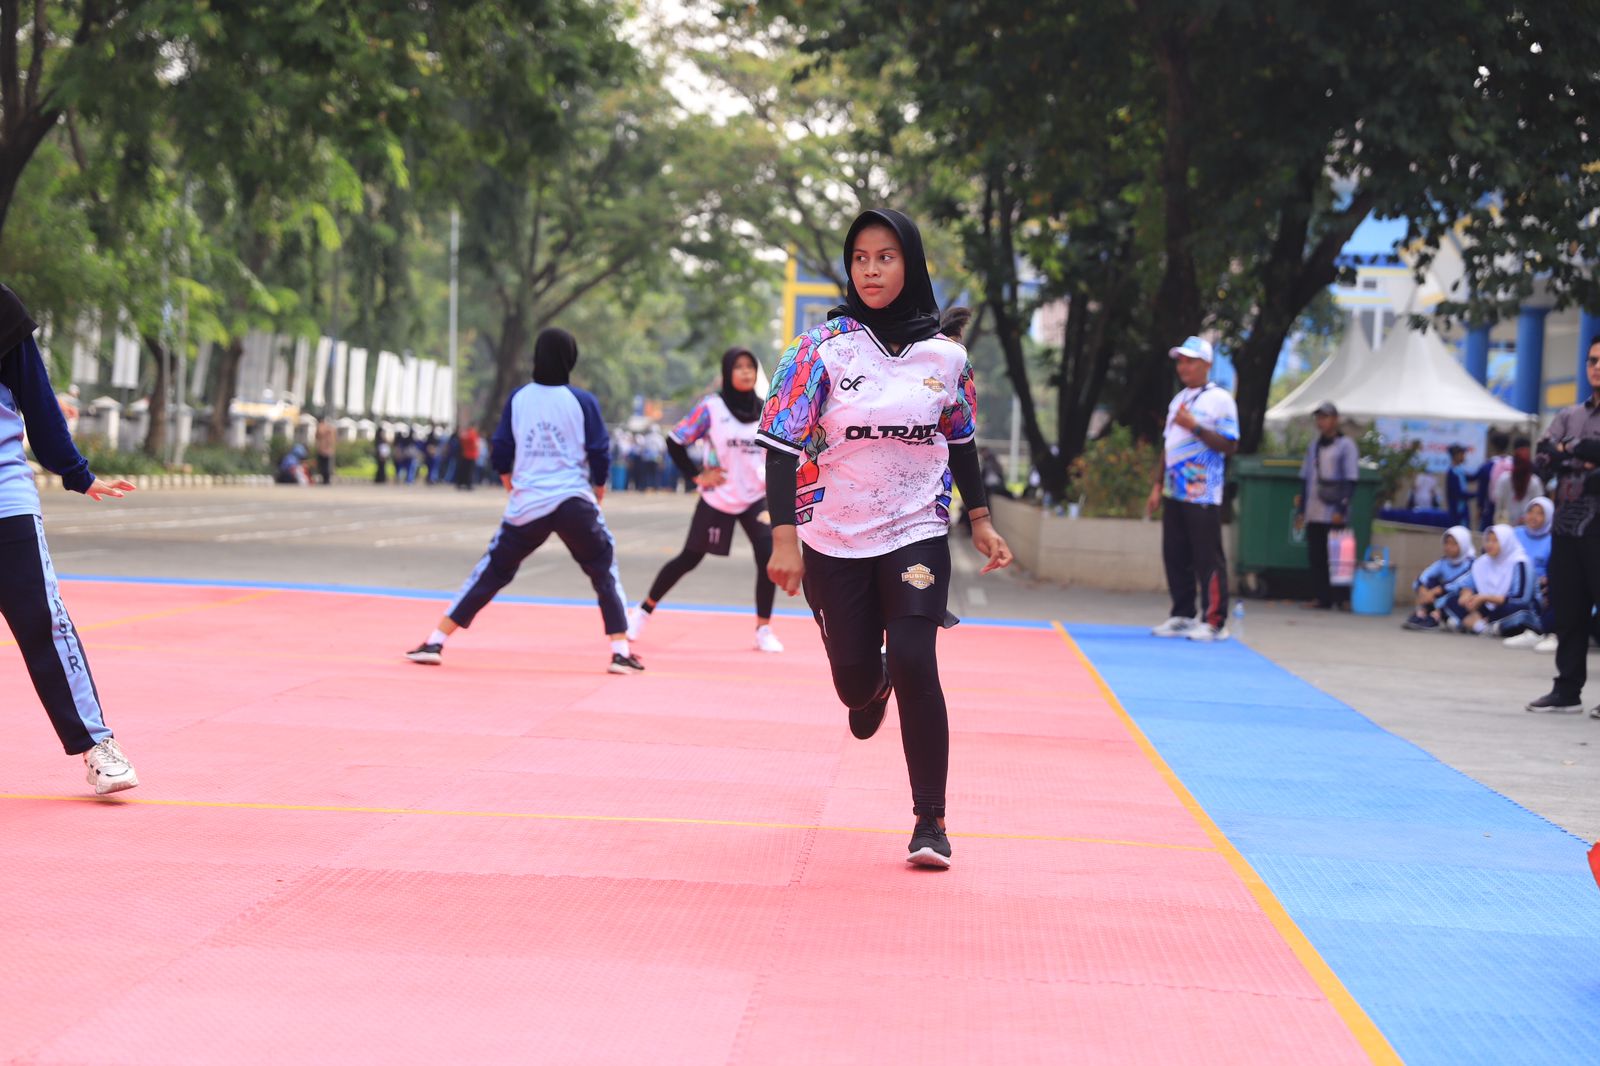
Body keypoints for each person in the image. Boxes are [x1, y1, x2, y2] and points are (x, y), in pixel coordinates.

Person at [760, 207, 1013, 869]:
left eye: (886, 257)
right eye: (861, 258)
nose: (871, 271)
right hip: (832, 534)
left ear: (912, 265)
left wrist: (980, 521)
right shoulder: (817, 350)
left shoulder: (947, 358)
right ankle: (870, 685)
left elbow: (961, 442)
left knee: (914, 657)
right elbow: (780, 447)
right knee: (854, 686)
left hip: (916, 529)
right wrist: (784, 538)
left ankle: (931, 820)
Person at [405, 327, 642, 675]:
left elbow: (502, 447)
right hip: (573, 500)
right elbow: (599, 449)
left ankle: (435, 641)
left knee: (491, 571)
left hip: (527, 503)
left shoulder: (519, 398)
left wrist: (509, 482)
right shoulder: (582, 401)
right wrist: (599, 488)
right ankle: (620, 651)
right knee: (603, 568)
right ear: (570, 358)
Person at [0, 283, 140, 794]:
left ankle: (97, 745)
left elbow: (37, 399)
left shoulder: (1, 308)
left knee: (45, 621)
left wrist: (76, 472)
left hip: (4, 499)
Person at [627, 347, 783, 652]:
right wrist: (697, 475)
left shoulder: (767, 409)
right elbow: (675, 441)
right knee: (690, 557)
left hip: (755, 496)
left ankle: (763, 629)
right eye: (738, 367)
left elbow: (778, 451)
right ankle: (642, 612)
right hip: (719, 496)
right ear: (727, 372)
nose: (746, 372)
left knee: (767, 557)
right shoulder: (712, 408)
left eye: (750, 366)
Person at [1147, 335, 1240, 641]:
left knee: (1207, 556)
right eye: (1181, 361)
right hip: (1174, 490)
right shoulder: (1179, 400)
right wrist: (1157, 485)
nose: (1183, 367)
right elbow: (1169, 445)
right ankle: (1182, 615)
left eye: (1190, 361)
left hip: (1203, 491)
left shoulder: (1220, 399)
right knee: (1175, 554)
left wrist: (1196, 427)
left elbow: (1230, 445)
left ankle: (1214, 621)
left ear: (1206, 364)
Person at [1524, 340, 1600, 713]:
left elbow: (1564, 452)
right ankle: (1567, 689)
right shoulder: (1569, 414)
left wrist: (1567, 450)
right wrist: (1580, 453)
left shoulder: (1567, 427)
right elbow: (1542, 458)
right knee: (1568, 611)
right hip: (1566, 530)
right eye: (1593, 360)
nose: (1597, 366)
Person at [1294, 401, 1360, 610]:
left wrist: (1341, 509)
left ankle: (1342, 598)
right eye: (1319, 418)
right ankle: (1321, 597)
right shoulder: (1314, 446)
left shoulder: (1346, 446)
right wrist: (1301, 510)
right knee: (1317, 555)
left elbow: (1350, 480)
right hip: (1314, 509)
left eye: (1325, 417)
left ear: (1335, 420)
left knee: (1339, 557)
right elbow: (1305, 478)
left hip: (1334, 510)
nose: (1321, 422)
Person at [1439, 524, 1536, 635]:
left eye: (1495, 541)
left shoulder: (1520, 563)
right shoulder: (1482, 562)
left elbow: (1521, 599)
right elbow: (1466, 583)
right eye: (1488, 540)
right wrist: (1466, 594)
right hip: (1487, 609)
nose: (1489, 544)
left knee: (1521, 613)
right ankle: (1483, 627)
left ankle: (1474, 624)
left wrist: (1484, 597)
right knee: (1452, 600)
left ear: (1506, 542)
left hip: (1508, 608)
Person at [1503, 496, 1555, 650]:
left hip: (1538, 588)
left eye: (1540, 513)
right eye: (1531, 511)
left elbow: (1554, 569)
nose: (1533, 517)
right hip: (1508, 583)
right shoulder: (1515, 534)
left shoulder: (1552, 540)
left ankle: (1535, 630)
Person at [1401, 526, 1476, 631]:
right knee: (1428, 582)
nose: (1448, 547)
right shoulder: (1444, 561)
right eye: (1446, 543)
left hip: (1457, 598)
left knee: (1458, 593)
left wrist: (1435, 591)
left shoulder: (1471, 564)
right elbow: (1425, 575)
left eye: (1454, 544)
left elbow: (1458, 582)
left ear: (1463, 545)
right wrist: (1423, 589)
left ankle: (1436, 617)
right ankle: (1422, 613)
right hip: (1440, 594)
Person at [1491, 437, 1544, 526]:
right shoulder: (1534, 482)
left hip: (1519, 525)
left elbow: (1498, 503)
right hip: (1514, 525)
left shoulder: (1504, 479)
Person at [1476, 430, 1512, 529]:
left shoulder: (1487, 466)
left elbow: (1482, 490)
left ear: (1493, 446)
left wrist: (1480, 507)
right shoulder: (1514, 464)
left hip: (1491, 507)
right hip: (1510, 507)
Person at [1444, 444, 1473, 527]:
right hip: (1457, 510)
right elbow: (1458, 493)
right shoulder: (1452, 472)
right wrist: (1476, 494)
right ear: (1456, 456)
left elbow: (1471, 478)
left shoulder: (1460, 470)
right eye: (1462, 454)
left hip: (1463, 508)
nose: (1464, 457)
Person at [455, 423, 480, 491]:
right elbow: (476, 444)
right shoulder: (473, 433)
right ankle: (469, 484)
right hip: (472, 455)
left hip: (464, 454)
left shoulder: (465, 433)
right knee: (470, 471)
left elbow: (461, 440)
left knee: (463, 470)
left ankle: (460, 483)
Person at [315, 416, 337, 485]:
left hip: (323, 449)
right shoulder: (330, 428)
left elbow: (317, 436)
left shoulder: (321, 427)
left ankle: (325, 479)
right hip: (328, 449)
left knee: (323, 465)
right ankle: (326, 479)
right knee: (326, 465)